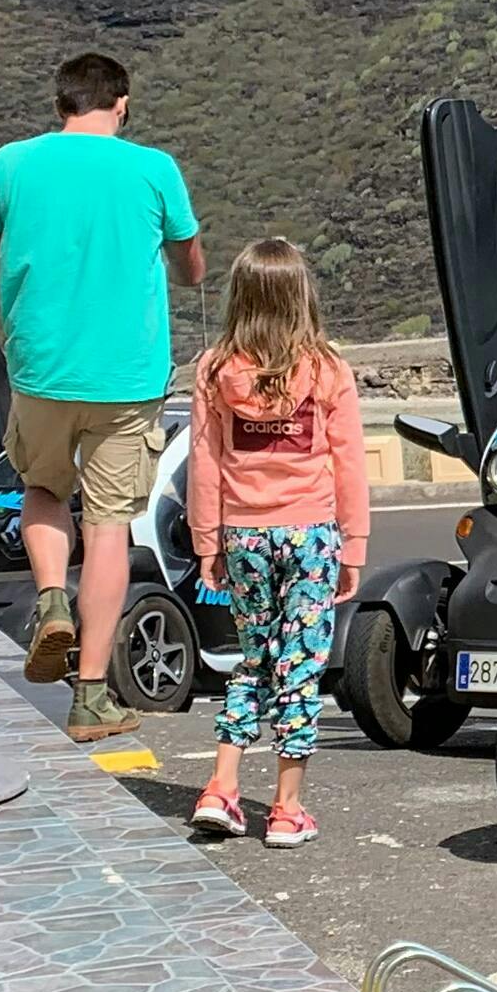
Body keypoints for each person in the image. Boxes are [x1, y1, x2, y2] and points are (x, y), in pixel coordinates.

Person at [0, 51, 204, 741]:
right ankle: (92, 694)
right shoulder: (154, 169)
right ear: (122, 103)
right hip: (126, 379)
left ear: (60, 104)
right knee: (106, 524)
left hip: (40, 370)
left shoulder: (10, 164)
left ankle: (50, 600)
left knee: (42, 487)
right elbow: (192, 268)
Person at [184, 239, 366, 847]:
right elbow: (349, 467)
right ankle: (286, 808)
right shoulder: (327, 369)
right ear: (301, 296)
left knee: (255, 657)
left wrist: (206, 542)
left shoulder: (213, 371)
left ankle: (221, 787)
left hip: (244, 535)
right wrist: (354, 546)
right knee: (301, 665)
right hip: (311, 534)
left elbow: (204, 465)